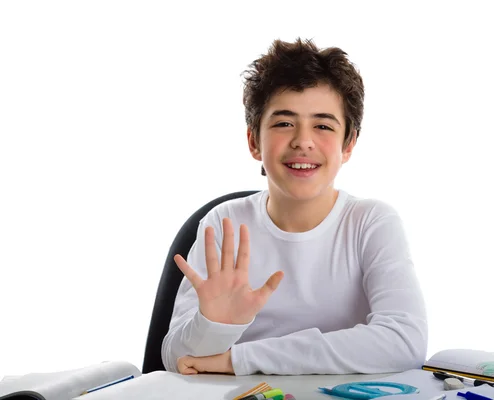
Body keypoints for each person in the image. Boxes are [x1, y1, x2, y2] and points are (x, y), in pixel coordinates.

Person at [161, 37, 428, 376]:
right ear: (254, 141)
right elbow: (179, 361)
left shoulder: (371, 223)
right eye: (284, 123)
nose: (303, 140)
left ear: (349, 145)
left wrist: (241, 358)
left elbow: (404, 341)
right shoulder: (225, 223)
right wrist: (213, 325)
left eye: (323, 125)